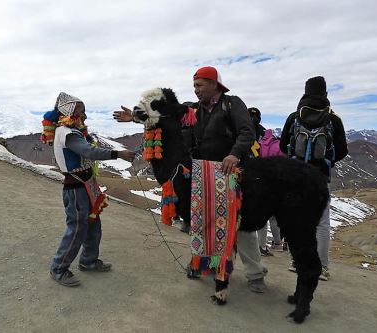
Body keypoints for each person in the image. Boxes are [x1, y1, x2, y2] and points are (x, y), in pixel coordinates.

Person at [114, 66, 268, 293]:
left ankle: (255, 274)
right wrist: (136, 117)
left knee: (239, 224)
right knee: (203, 222)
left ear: (215, 84)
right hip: (202, 175)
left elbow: (247, 133)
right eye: (194, 86)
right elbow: (165, 115)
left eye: (200, 85)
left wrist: (234, 153)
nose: (196, 90)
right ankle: (204, 263)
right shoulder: (192, 109)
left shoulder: (232, 104)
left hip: (231, 174)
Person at [47, 92, 136, 287]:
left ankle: (88, 261)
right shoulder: (67, 133)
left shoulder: (73, 131)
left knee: (93, 224)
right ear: (69, 112)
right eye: (82, 112)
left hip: (85, 185)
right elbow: (88, 151)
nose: (85, 116)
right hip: (76, 188)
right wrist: (118, 153)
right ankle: (58, 267)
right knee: (77, 228)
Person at [279, 76, 348, 281]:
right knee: (322, 223)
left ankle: (297, 262)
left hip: (296, 175)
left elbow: (283, 145)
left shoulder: (294, 117)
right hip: (320, 176)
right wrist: (327, 161)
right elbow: (342, 150)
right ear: (325, 93)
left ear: (305, 91)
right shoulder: (333, 119)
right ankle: (322, 268)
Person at [247, 107, 283, 255]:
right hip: (265, 178)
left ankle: (246, 244)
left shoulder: (240, 130)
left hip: (245, 175)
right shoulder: (267, 137)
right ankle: (262, 246)